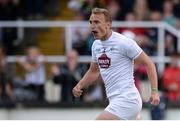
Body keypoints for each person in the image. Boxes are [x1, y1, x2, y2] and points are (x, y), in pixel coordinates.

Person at [72, 8, 160, 120]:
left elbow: (149, 63)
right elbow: (94, 71)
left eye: (97, 22)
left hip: (128, 99)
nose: (93, 26)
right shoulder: (96, 45)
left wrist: (154, 92)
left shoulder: (123, 42)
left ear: (108, 24)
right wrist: (80, 85)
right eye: (91, 22)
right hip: (114, 100)